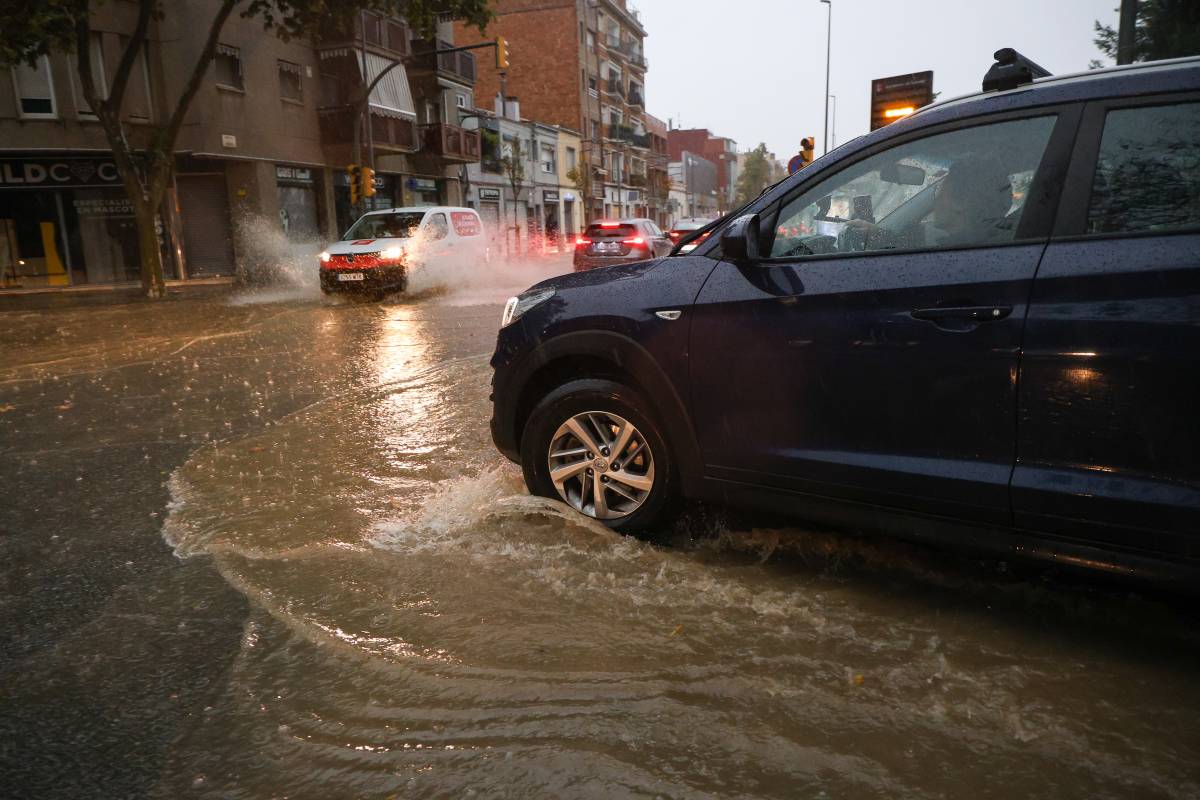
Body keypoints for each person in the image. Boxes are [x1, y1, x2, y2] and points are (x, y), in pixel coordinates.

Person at [845, 156, 1014, 251]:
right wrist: (875, 232)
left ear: (960, 203)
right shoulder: (994, 243)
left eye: (939, 189)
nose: (936, 198)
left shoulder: (955, 254)